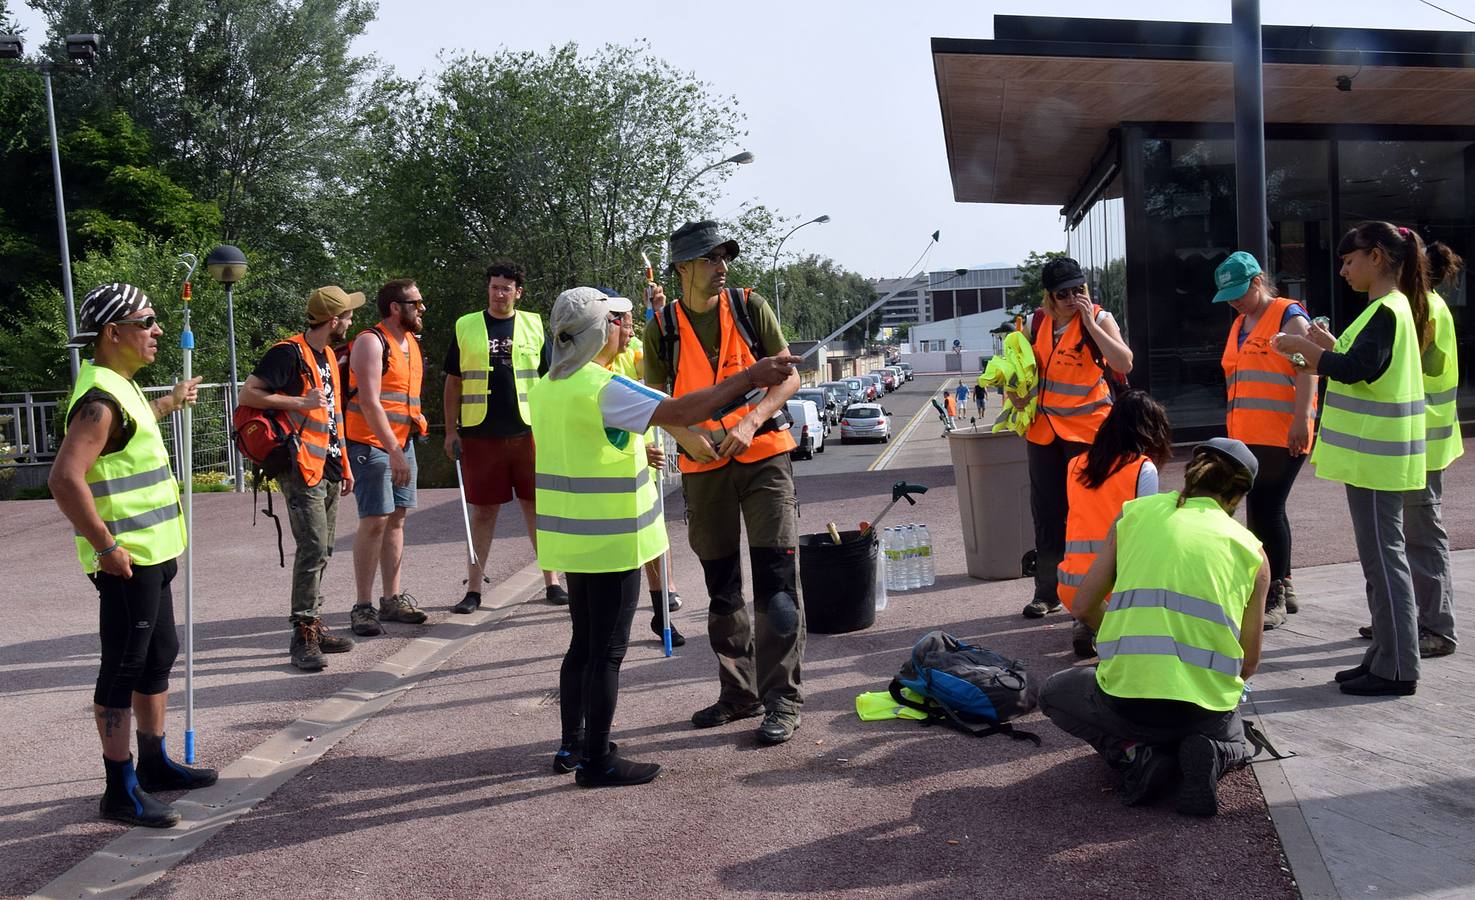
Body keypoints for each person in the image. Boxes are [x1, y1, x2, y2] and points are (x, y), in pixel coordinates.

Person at [535, 286, 802, 787]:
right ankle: (597, 762)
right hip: (613, 541)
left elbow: (599, 442)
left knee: (582, 648)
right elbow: (681, 410)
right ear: (599, 329)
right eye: (618, 321)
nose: (627, 328)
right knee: (608, 654)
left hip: (570, 541)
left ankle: (572, 745)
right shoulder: (602, 386)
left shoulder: (549, 385)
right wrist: (749, 377)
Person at [49, 283, 217, 827]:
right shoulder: (99, 401)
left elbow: (134, 426)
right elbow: (64, 478)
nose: (158, 331)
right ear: (113, 333)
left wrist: (172, 400)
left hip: (155, 552)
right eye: (147, 322)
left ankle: (154, 765)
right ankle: (119, 790)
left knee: (158, 654)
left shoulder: (121, 388)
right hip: (126, 561)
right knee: (122, 668)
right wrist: (106, 546)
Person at [1040, 438, 1270, 817]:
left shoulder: (1136, 513)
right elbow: (1249, 663)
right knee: (1238, 738)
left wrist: (1120, 633)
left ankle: (1136, 754)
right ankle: (1212, 753)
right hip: (1202, 709)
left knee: (1053, 692)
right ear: (1238, 495)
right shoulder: (1251, 551)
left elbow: (1082, 604)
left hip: (1128, 702)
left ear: (1190, 474)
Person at [642, 220, 806, 745]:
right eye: (711, 259)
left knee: (777, 591)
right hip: (702, 468)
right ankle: (738, 695)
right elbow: (654, 403)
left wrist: (752, 419)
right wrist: (686, 439)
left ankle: (781, 700)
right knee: (722, 592)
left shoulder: (750, 306)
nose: (722, 268)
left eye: (724, 258)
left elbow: (791, 375)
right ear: (683, 267)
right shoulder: (662, 326)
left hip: (764, 457)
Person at [1275, 221, 1430, 697]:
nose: (1342, 269)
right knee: (1381, 562)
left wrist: (1306, 350)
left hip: (1376, 460)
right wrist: (1323, 346)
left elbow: (1360, 370)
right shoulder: (1389, 308)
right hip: (1374, 459)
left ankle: (1398, 666)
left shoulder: (1388, 309)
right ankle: (1386, 655)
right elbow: (1361, 366)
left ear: (1376, 257)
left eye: (1348, 260)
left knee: (1384, 563)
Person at [239, 286, 360, 671]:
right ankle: (302, 632)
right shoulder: (288, 352)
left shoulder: (326, 354)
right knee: (311, 547)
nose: (352, 320)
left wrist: (345, 464)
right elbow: (248, 394)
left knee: (324, 547)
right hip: (298, 466)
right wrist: (298, 402)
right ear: (334, 320)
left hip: (326, 464)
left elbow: (332, 416)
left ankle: (314, 623)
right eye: (348, 315)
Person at [1355, 240, 1463, 658]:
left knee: (1419, 534)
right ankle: (1402, 619)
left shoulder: (1421, 309)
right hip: (1416, 439)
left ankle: (1435, 626)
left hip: (1421, 440)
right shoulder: (1417, 305)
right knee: (1402, 535)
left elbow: (1398, 367)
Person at [443, 260, 564, 612]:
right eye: (494, 287)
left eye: (506, 288)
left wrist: (554, 429)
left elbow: (551, 379)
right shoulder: (466, 325)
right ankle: (474, 588)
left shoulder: (534, 324)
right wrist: (451, 430)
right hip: (481, 433)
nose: (499, 294)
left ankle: (551, 581)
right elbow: (453, 381)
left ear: (518, 292)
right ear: (488, 289)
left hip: (528, 431)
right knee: (483, 512)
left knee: (536, 507)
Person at [1020, 257, 1133, 620]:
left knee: (1087, 515)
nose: (1073, 298)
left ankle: (1094, 591)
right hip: (1044, 431)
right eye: (1063, 293)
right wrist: (1015, 393)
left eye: (1078, 290)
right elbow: (1024, 371)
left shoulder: (1099, 318)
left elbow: (1124, 363)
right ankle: (1047, 592)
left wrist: (1090, 324)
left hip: (1087, 432)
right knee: (1048, 514)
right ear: (1050, 296)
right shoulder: (1037, 322)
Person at [1214, 251, 1318, 628]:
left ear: (1258, 281)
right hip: (1247, 434)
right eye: (1229, 296)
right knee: (1266, 508)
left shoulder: (1288, 316)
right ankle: (1283, 583)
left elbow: (1307, 368)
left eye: (1241, 292)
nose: (1235, 301)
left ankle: (1272, 592)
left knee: (1266, 509)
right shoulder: (1241, 322)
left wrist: (1302, 418)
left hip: (1280, 431)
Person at [594, 288, 684, 647]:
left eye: (633, 325)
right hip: (607, 470)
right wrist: (637, 447)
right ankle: (612, 622)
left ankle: (662, 613)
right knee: (617, 552)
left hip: (641, 465)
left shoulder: (631, 352)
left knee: (653, 539)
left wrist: (658, 315)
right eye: (625, 324)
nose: (630, 331)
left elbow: (662, 367)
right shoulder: (584, 364)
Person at [1056, 390, 1173, 658]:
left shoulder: (1075, 464)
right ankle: (1112, 628)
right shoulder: (1142, 468)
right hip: (1116, 587)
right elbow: (1147, 533)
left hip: (1071, 585)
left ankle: (1090, 622)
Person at [343, 278, 430, 636]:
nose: (422, 308)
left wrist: (402, 446)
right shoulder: (370, 341)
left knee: (397, 518)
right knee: (375, 519)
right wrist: (393, 450)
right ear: (396, 307)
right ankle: (362, 606)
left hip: (401, 444)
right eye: (416, 302)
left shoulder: (409, 341)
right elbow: (369, 400)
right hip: (371, 444)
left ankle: (391, 599)